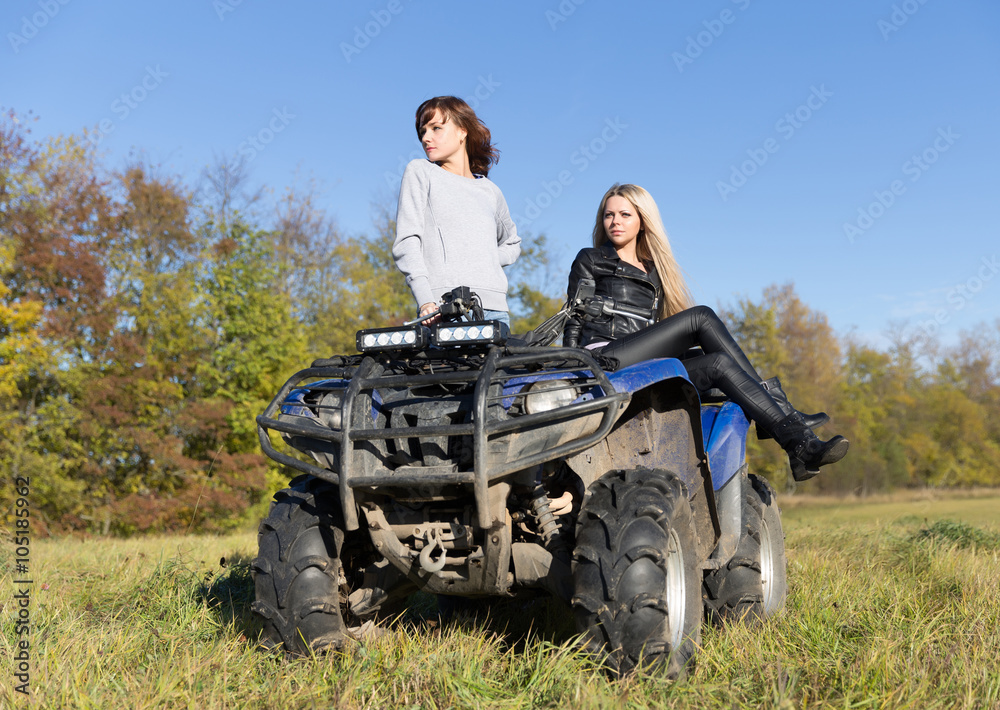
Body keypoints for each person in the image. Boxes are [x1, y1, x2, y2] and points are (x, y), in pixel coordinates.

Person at [563, 183, 848, 481]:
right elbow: (573, 318)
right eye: (609, 215)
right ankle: (784, 409)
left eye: (625, 214)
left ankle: (800, 447)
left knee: (719, 364)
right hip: (607, 359)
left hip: (643, 362)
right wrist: (577, 369)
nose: (615, 222)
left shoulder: (653, 270)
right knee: (701, 317)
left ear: (642, 221)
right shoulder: (591, 259)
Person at [393, 96, 521, 327]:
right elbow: (407, 242)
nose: (425, 138)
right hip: (444, 309)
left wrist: (487, 257)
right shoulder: (420, 172)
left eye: (436, 128)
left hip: (495, 311)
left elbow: (512, 243)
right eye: (422, 131)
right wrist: (425, 300)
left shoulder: (490, 191)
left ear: (462, 131)